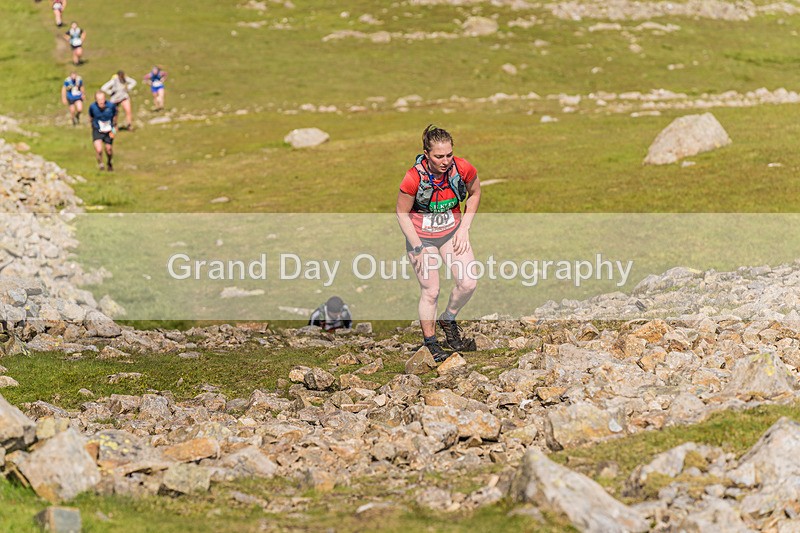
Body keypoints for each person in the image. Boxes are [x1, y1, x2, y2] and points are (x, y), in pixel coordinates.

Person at [396, 125, 481, 362]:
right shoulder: (413, 177)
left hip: (451, 233)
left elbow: (475, 193)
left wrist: (465, 227)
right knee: (431, 290)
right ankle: (431, 343)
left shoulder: (462, 168)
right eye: (438, 156)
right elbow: (401, 213)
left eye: (449, 155)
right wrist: (418, 248)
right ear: (426, 154)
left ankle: (448, 318)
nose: (445, 161)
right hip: (421, 237)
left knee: (468, 282)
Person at [88, 91, 118, 171]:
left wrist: (114, 130)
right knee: (99, 149)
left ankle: (109, 162)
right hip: (97, 130)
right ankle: (100, 163)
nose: (101, 101)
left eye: (102, 99)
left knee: (108, 149)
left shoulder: (111, 106)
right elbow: (90, 116)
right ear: (96, 100)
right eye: (99, 99)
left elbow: (115, 117)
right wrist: (93, 126)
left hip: (109, 131)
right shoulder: (92, 107)